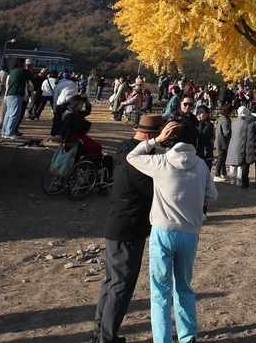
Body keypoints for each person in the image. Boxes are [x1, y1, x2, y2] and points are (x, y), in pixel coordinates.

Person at [128, 119, 217, 343]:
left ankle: (163, 339)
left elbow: (132, 156)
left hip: (163, 229)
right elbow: (212, 196)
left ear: (169, 138)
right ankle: (188, 336)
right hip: (190, 231)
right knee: (184, 286)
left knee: (160, 290)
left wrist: (155, 140)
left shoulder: (160, 162)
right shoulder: (200, 165)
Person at [93, 113, 162, 343]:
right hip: (129, 228)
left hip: (116, 225)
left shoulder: (125, 150)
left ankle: (100, 333)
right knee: (121, 284)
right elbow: (155, 192)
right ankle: (107, 337)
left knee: (111, 282)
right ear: (149, 136)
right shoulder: (138, 163)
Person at [1, 58, 34, 138]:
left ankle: (4, 131)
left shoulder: (13, 71)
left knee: (8, 114)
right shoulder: (22, 71)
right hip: (16, 94)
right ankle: (10, 133)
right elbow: (31, 76)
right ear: (23, 64)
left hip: (9, 94)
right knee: (14, 114)